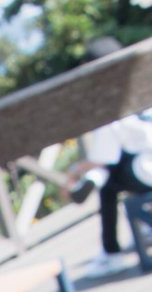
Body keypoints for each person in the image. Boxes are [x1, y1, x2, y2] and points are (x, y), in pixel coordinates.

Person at [64, 37, 152, 278]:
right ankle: (145, 227)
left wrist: (75, 173)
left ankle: (111, 253)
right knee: (121, 164)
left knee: (108, 182)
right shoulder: (144, 78)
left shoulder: (108, 100)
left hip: (146, 169)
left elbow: (104, 156)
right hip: (143, 160)